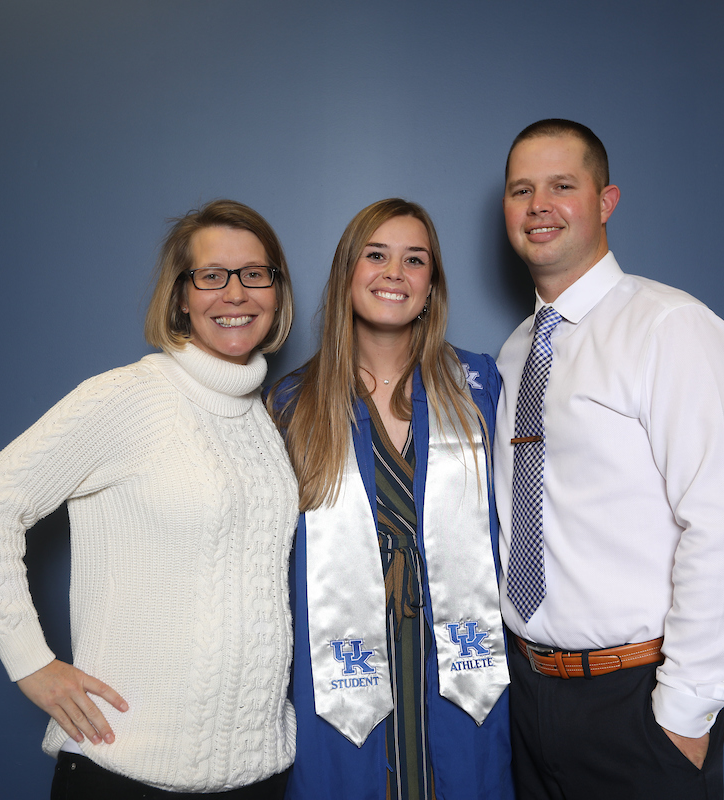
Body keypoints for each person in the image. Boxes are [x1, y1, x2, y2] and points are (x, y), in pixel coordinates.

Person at [0, 199, 299, 798]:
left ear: (276, 289)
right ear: (181, 297)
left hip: (258, 775)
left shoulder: (263, 420)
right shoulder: (128, 397)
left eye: (254, 274)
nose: (235, 293)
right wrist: (31, 662)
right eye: (211, 275)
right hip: (127, 770)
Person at [494, 119, 724, 799]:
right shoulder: (515, 352)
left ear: (605, 202)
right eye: (521, 190)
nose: (539, 206)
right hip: (526, 699)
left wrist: (684, 711)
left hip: (637, 703)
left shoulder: (672, 329)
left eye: (562, 186)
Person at [268, 199, 514, 800]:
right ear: (346, 273)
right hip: (341, 658)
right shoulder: (292, 404)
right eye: (376, 255)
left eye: (415, 260)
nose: (394, 273)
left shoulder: (478, 387)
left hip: (456, 652)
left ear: (431, 287)